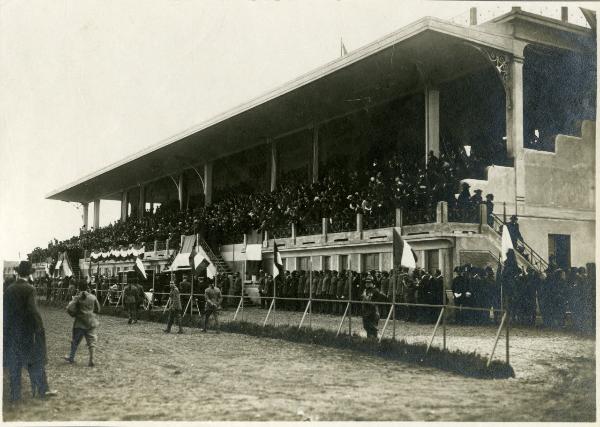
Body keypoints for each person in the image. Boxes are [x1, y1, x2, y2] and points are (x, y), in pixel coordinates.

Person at [4, 261, 57, 401]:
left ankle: (15, 395)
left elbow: (5, 312)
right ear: (29, 274)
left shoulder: (9, 289)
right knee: (36, 360)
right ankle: (43, 391)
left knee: (14, 363)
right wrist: (39, 328)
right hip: (27, 331)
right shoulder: (30, 289)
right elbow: (33, 311)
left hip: (11, 332)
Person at [64, 281, 101, 367]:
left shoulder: (77, 298)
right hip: (91, 322)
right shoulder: (93, 297)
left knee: (75, 341)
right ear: (88, 287)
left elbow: (69, 308)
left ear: (78, 288)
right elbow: (98, 309)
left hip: (80, 322)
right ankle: (92, 359)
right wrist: (91, 313)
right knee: (92, 342)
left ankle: (71, 357)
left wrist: (74, 314)